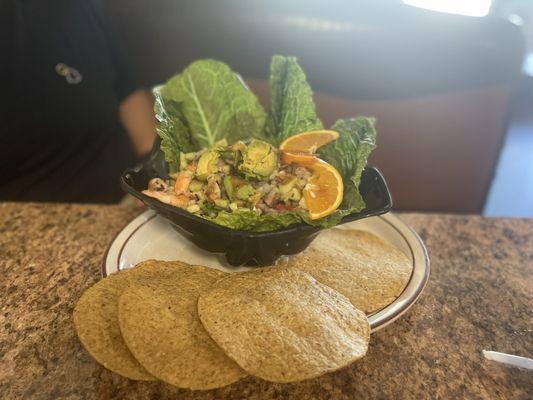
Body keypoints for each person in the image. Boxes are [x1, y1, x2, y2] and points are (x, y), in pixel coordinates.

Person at [0, 0, 156, 203]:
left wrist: (153, 168)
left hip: (130, 193)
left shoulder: (81, 7)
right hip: (39, 217)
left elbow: (128, 92)